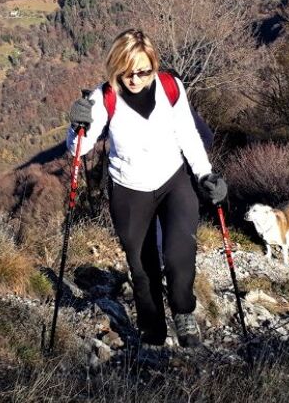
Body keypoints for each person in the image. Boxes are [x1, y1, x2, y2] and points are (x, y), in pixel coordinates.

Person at [67, 29, 226, 348]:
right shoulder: (103, 98)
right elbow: (78, 150)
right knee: (142, 269)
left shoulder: (170, 87)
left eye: (143, 71)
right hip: (128, 190)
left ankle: (183, 312)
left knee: (179, 257)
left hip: (173, 180)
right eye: (127, 72)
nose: (135, 78)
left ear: (153, 66)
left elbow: (187, 134)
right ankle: (152, 332)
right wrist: (77, 125)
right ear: (116, 68)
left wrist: (206, 175)